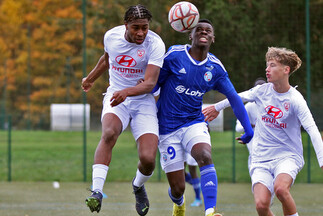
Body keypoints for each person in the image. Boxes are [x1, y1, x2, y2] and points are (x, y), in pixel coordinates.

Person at [203, 47, 323, 216]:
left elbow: (312, 130)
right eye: (267, 65)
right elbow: (237, 97)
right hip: (261, 158)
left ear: (286, 70)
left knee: (281, 189)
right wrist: (216, 107)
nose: (267, 69)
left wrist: (322, 159)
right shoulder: (262, 91)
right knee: (261, 205)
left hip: (287, 156)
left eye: (272, 65)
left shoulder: (295, 99)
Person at [155, 19, 254, 216]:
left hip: (194, 122)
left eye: (208, 30)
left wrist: (248, 129)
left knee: (205, 156)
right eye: (198, 29)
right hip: (166, 127)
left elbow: (234, 98)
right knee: (178, 188)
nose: (203, 32)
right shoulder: (174, 55)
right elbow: (153, 85)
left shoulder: (215, 67)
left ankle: (210, 211)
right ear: (190, 35)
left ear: (213, 38)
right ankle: (179, 202)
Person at [81, 4, 165, 215]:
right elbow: (107, 59)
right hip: (116, 96)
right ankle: (97, 192)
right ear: (125, 24)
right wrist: (90, 78)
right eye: (136, 27)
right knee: (109, 133)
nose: (141, 33)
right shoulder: (111, 36)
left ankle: (137, 186)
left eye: (144, 28)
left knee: (148, 159)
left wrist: (127, 92)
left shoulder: (155, 44)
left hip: (143, 100)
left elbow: (150, 84)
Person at [235, 78, 266, 159]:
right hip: (254, 144)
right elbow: (238, 128)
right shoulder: (249, 106)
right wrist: (248, 126)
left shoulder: (273, 106)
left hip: (270, 144)